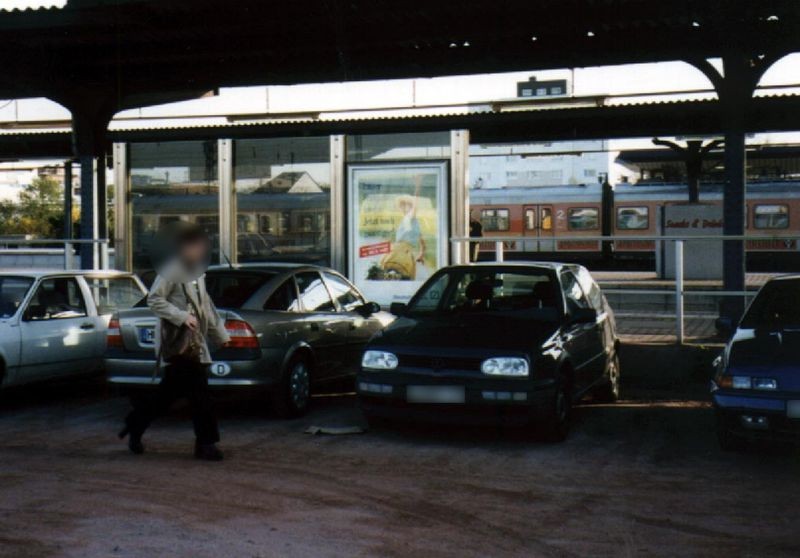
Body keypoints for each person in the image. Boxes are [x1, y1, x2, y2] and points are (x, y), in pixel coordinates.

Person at [119, 225, 230, 461]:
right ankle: (206, 444)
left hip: (194, 345)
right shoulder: (172, 271)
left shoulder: (198, 272)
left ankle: (135, 423)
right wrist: (181, 316)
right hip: (179, 345)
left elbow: (206, 308)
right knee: (201, 396)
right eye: (198, 246)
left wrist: (220, 336)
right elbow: (154, 300)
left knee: (167, 396)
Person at [380, 176, 427, 280]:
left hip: (403, 252)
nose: (404, 207)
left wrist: (417, 186)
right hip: (398, 251)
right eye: (402, 205)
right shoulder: (408, 221)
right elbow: (422, 242)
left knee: (399, 273)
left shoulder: (411, 217)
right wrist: (421, 255)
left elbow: (416, 203)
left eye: (407, 205)